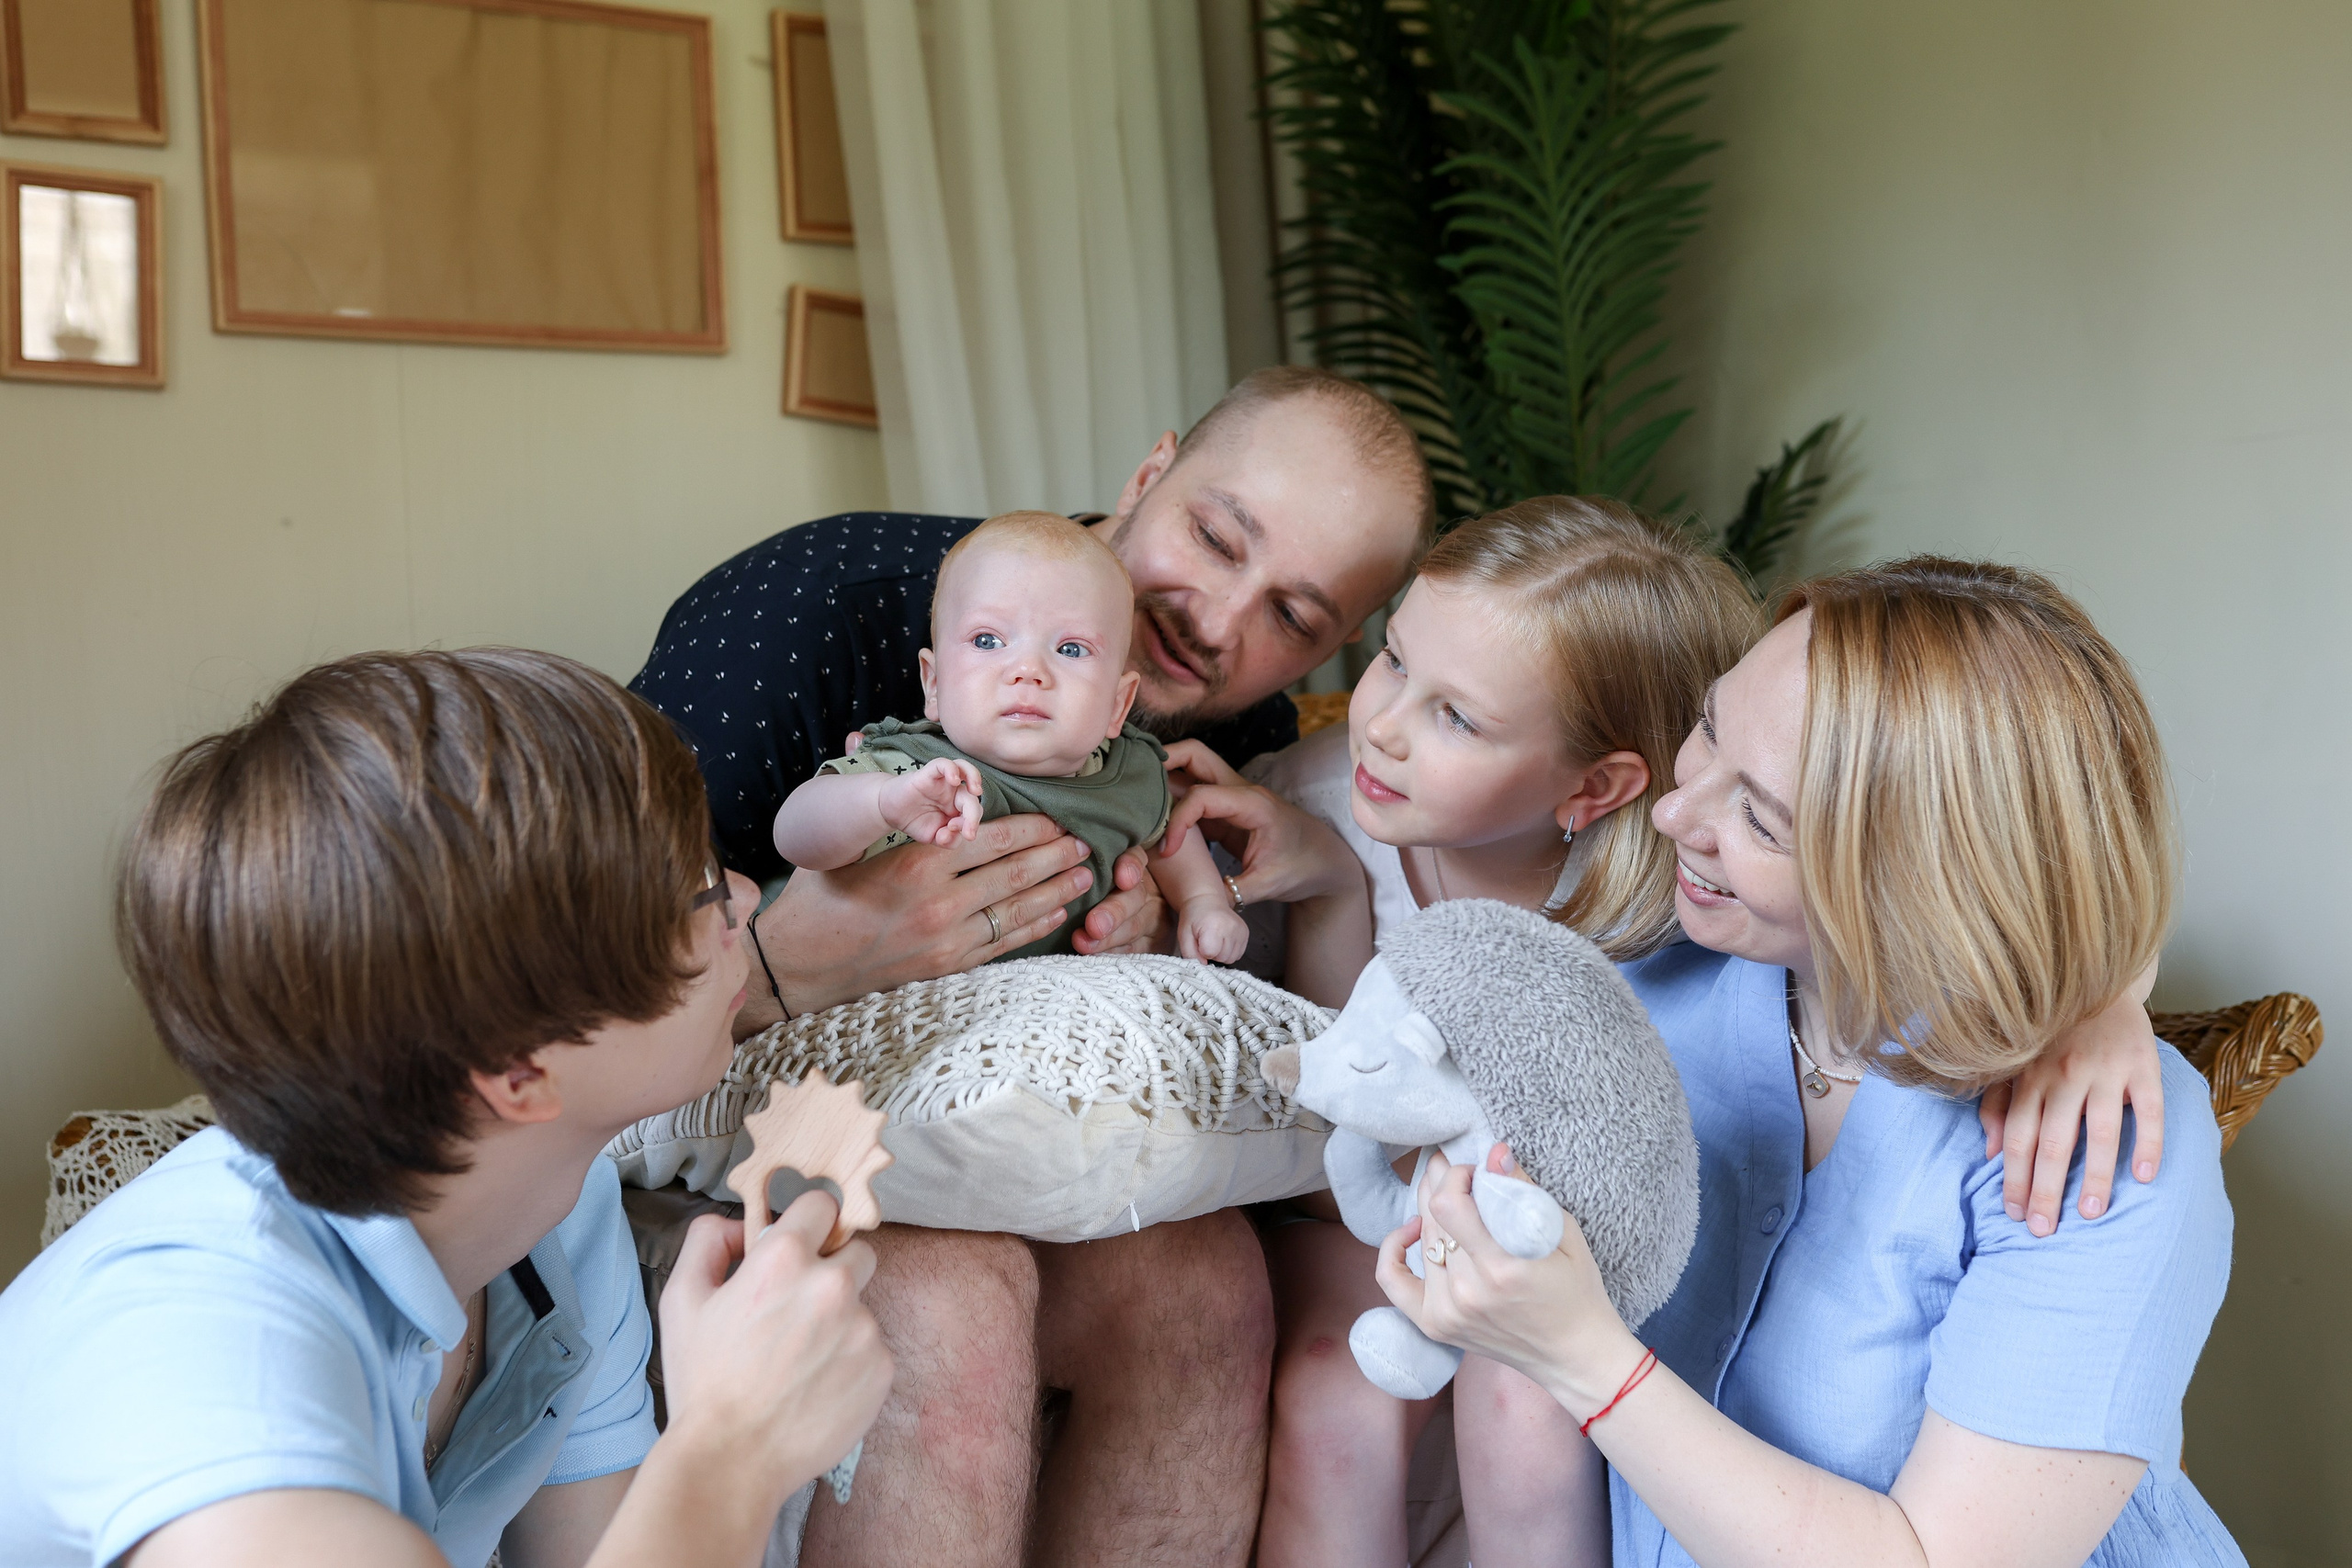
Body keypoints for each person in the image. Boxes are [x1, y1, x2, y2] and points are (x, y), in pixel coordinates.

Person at [632, 366, 1433, 1566]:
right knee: (948, 1295)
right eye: (1215, 537)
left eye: (1294, 618)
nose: (1216, 620)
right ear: (1148, 472)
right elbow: (538, 979)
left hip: (997, 1122)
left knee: (1206, 1281)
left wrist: (1275, 896)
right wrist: (783, 962)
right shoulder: (821, 612)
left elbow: (1301, 1112)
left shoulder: (1232, 732)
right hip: (694, 1131)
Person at [1374, 558, 2239, 1566]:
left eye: (1760, 820)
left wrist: (1582, 1358)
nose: (1673, 814)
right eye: (1706, 727)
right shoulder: (1651, 965)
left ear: (1921, 881)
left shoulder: (2095, 1147)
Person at [0, 649, 893, 1568]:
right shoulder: (207, 1354)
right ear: (517, 1069)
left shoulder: (552, 1208)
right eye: (700, 884)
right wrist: (730, 1452)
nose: (743, 898)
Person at [1161, 498, 1759, 1567]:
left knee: (1521, 1402)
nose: (1381, 722)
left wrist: (2098, 1017)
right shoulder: (1313, 806)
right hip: (1360, 1217)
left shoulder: (1667, 891)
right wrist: (1339, 897)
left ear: (1596, 786)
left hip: (1566, 1238)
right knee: (1334, 1401)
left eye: (1457, 717)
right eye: (1392, 661)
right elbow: (1332, 1152)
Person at [773, 512, 1248, 964]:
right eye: (987, 641)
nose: (1028, 671)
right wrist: (879, 804)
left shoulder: (1132, 773)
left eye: (1070, 648)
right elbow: (793, 836)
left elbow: (1168, 837)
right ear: (933, 685)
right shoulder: (915, 771)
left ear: (1117, 706)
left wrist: (1204, 901)